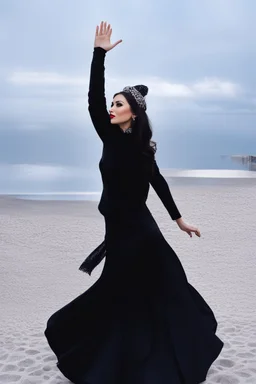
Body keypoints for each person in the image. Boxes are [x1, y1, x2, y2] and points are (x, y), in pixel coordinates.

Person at [44, 21, 224, 384]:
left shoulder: (142, 151)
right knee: (124, 291)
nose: (111, 107)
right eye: (112, 102)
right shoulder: (109, 137)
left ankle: (182, 344)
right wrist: (98, 55)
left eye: (119, 103)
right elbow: (93, 97)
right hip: (121, 230)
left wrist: (179, 220)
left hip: (140, 231)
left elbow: (157, 183)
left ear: (134, 112)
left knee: (163, 283)